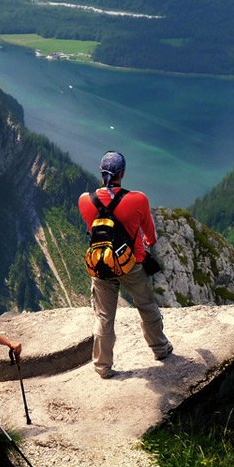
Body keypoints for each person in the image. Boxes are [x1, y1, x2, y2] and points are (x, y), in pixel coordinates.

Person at [78, 150, 172, 378]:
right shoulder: (138, 199)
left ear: (101, 173)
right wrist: (146, 244)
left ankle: (102, 366)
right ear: (122, 173)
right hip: (132, 265)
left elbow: (93, 229)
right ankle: (160, 349)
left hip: (102, 266)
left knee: (104, 317)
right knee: (146, 306)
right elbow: (150, 235)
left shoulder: (85, 200)